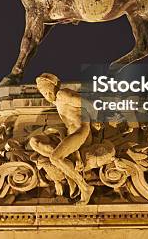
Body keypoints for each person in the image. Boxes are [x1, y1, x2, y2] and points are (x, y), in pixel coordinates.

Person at [29, 73, 95, 204]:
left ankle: (85, 187)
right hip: (71, 135)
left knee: (55, 157)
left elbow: (89, 104)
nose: (46, 95)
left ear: (54, 86)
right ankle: (68, 171)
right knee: (34, 141)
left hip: (81, 132)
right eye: (43, 93)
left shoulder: (62, 94)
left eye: (47, 91)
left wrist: (96, 121)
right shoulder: (58, 102)